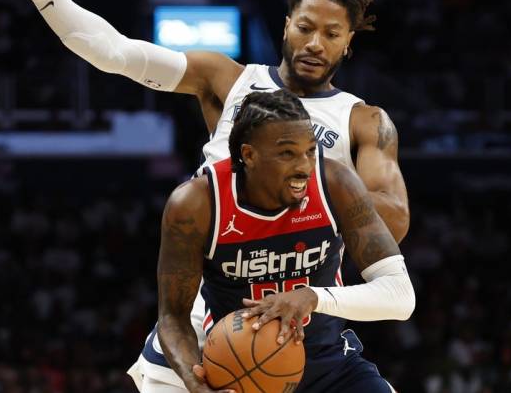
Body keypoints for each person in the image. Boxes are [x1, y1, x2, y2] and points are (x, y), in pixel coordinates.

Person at [0, 0, 410, 390]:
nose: (315, 43)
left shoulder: (363, 120)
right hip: (215, 311)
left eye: (332, 33)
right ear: (286, 26)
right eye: (305, 27)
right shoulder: (227, 78)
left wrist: (295, 189)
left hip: (303, 309)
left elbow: (394, 219)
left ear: (348, 42)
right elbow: (114, 53)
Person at [155, 90, 414, 393]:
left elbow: (401, 297)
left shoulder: (336, 183)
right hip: (239, 372)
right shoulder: (196, 204)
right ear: (249, 155)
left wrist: (313, 296)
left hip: (329, 366)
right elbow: (172, 316)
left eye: (310, 151)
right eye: (287, 153)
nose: (304, 166)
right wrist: (194, 382)